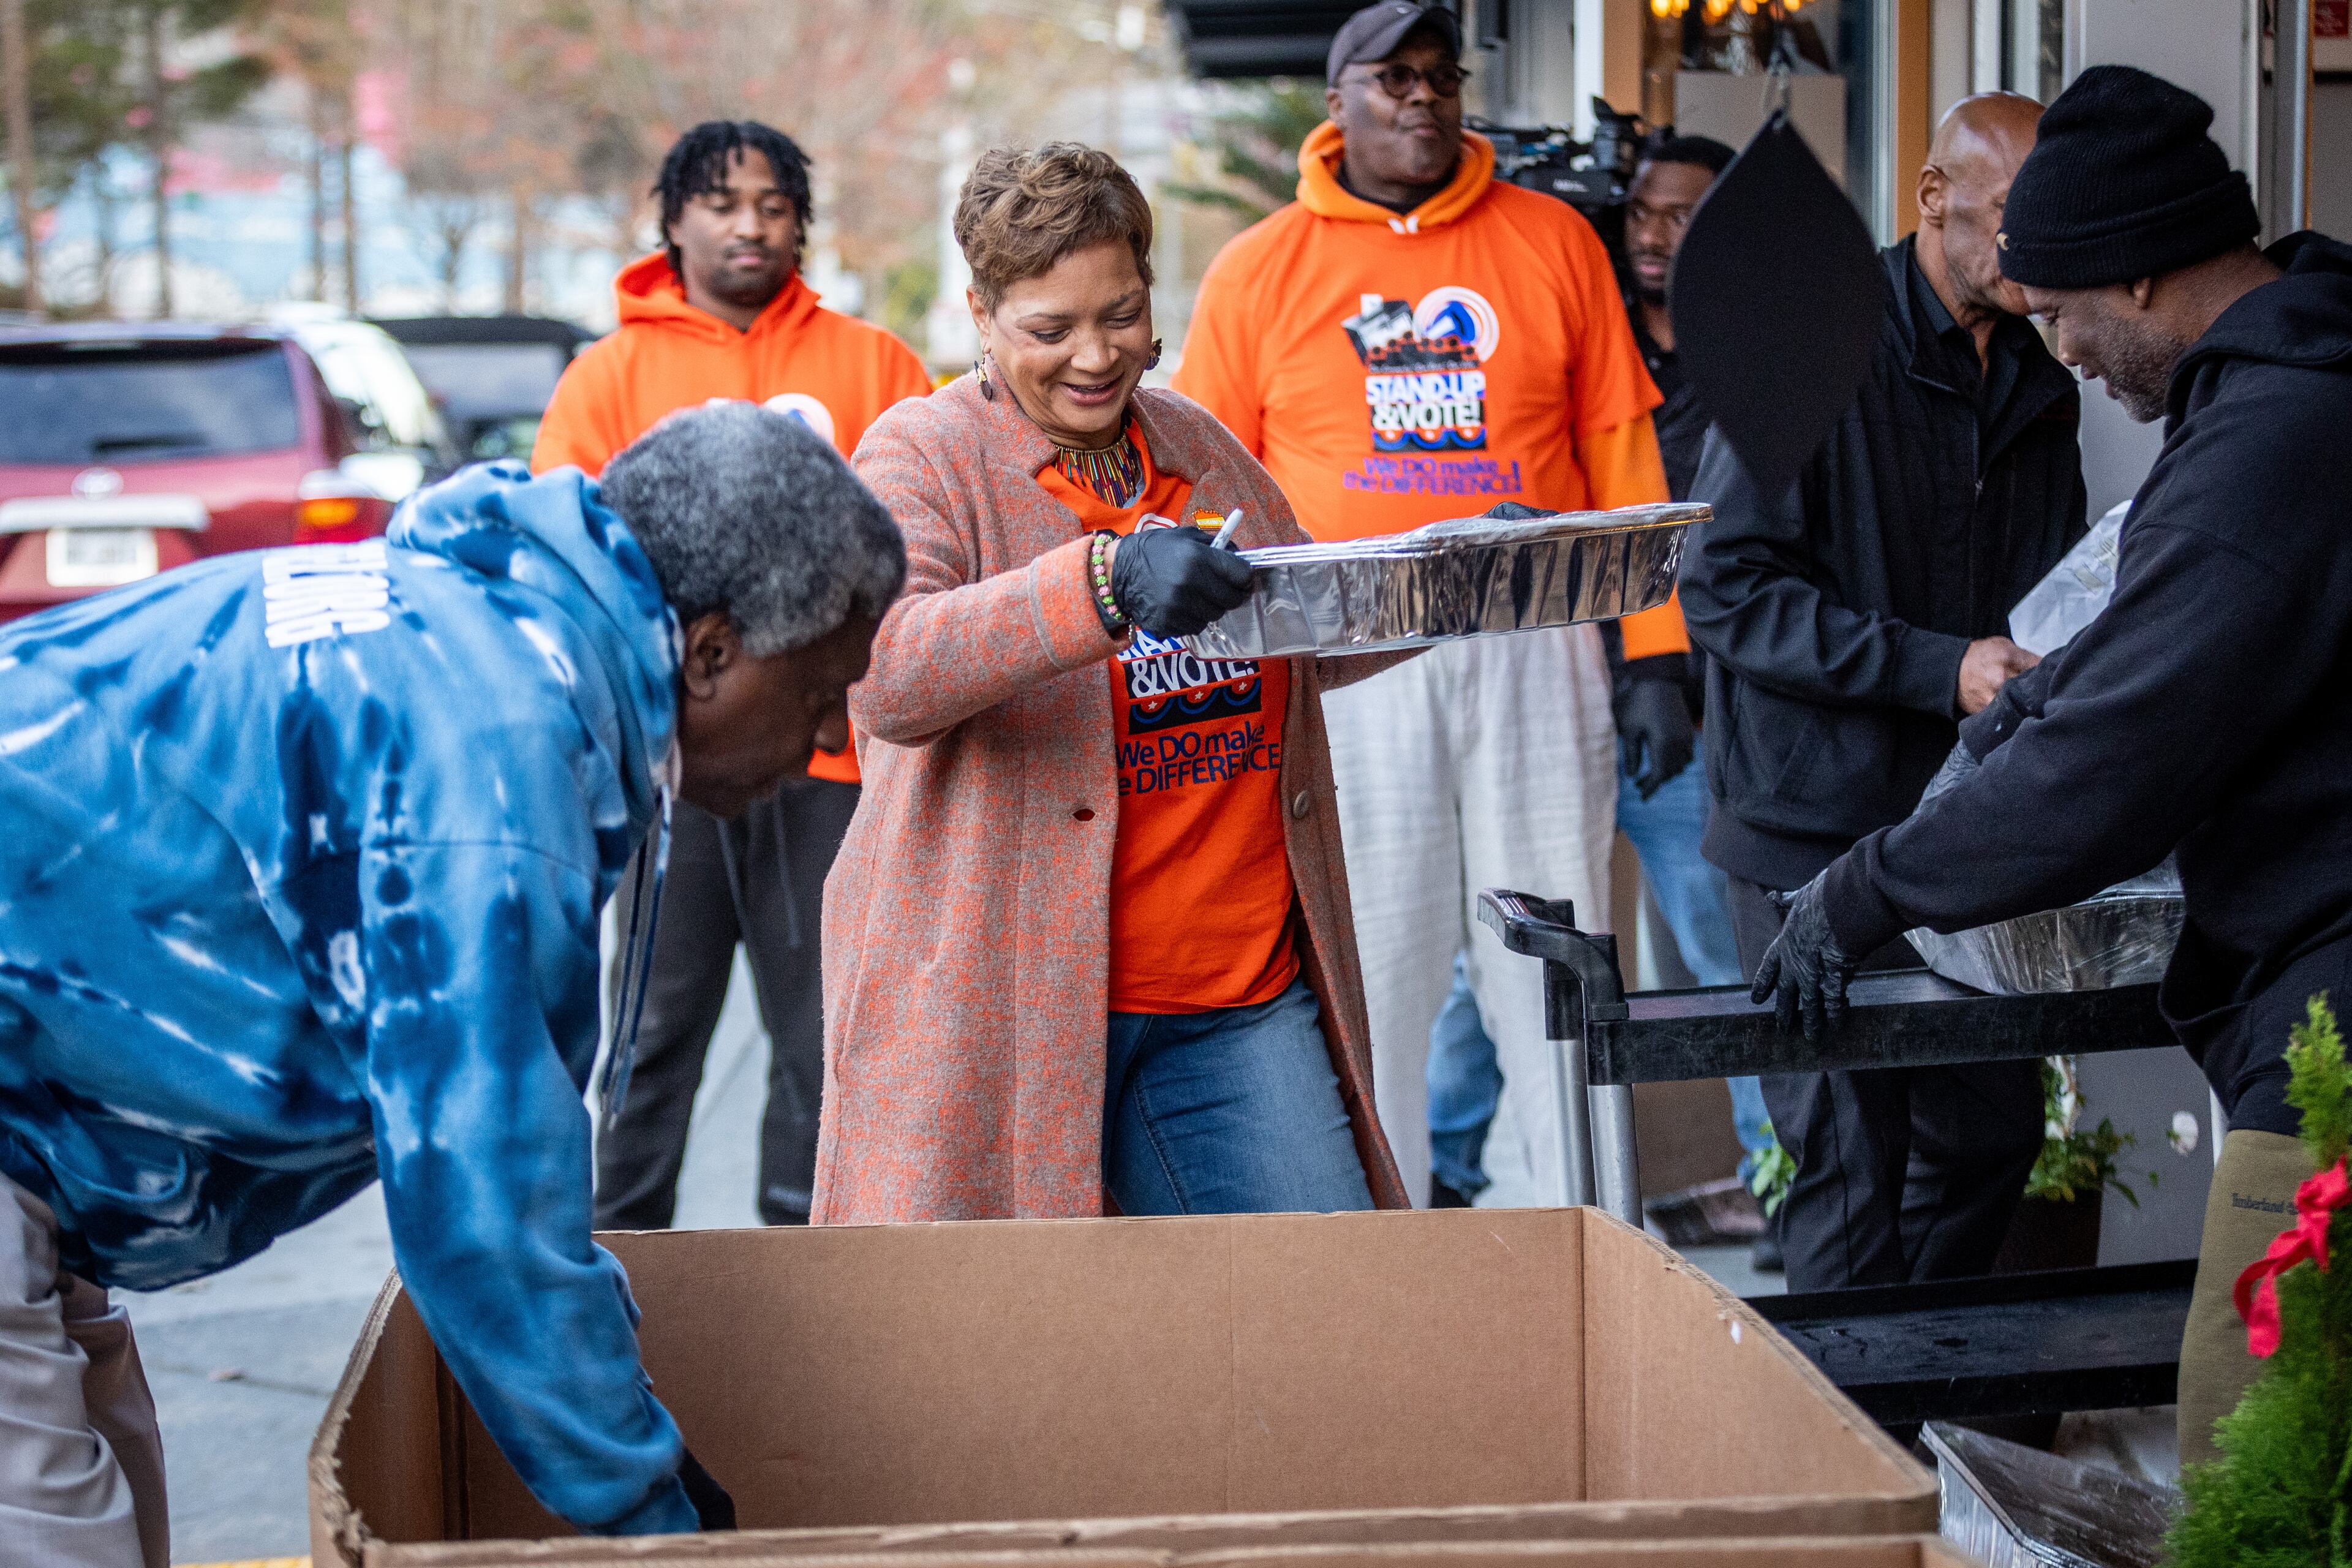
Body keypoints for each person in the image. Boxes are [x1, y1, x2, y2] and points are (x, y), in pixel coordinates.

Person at [0, 402, 900, 1560]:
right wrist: (661, 1523)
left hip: (40, 1121)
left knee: (106, 1478)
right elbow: (483, 1226)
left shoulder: (491, 626)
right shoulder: (490, 783)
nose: (830, 735)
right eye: (826, 691)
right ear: (712, 652)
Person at [1748, 64, 2351, 1466]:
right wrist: (2017, 716)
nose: (2062, 351)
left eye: (2064, 311)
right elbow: (2139, 652)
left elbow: (2117, 758)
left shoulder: (2276, 437)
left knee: (2253, 1443)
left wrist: (1865, 887)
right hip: (2305, 974)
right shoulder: (2282, 393)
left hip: (2333, 1008)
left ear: (2137, 275)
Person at [814, 142, 1409, 1223]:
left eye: (1122, 314)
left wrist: (1461, 580)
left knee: (1325, 1317)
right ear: (982, 316)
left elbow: (1307, 630)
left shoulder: (1201, 445)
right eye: (1050, 329)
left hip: (1236, 996)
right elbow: (886, 675)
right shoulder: (920, 455)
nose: (1095, 355)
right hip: (1005, 1005)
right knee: (1004, 1351)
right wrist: (1102, 582)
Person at [1174, 0, 1684, 1207]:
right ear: (1338, 98)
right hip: (1354, 650)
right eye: (1394, 77)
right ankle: (1382, 1241)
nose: (1422, 98)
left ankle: (1579, 1221)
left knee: (1555, 948)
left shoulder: (1552, 239)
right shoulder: (1260, 266)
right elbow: (1208, 484)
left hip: (1531, 634)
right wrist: (1221, 666)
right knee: (1382, 962)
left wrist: (1655, 648)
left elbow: (1617, 451)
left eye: (1440, 76)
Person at [1680, 91, 2084, 1292]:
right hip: (1801, 827)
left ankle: (1904, 1409)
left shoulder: (2039, 368)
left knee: (1991, 1134)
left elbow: (2049, 591)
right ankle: (1850, 1459)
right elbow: (1726, 587)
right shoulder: (1810, 334)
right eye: (2017, 217)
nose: (2039, 249)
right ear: (1932, 198)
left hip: (1961, 830)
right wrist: (1939, 664)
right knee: (1850, 1168)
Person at [533, 120, 931, 1229]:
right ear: (672, 222)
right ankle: (615, 1247)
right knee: (655, 1027)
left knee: (825, 1036)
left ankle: (806, 1252)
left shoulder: (877, 365)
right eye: (722, 203)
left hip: (835, 758)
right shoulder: (609, 375)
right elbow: (570, 566)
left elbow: (925, 546)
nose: (750, 224)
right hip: (671, 759)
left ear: (802, 220)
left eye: (772, 203)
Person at [1422, 135, 1758, 1226]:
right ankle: (1442, 1171)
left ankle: (1781, 1175)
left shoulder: (1749, 362)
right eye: (1645, 212)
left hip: (1681, 705)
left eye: (1689, 214)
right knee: (1501, 956)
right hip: (1546, 690)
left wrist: (1669, 670)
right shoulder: (1578, 325)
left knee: (1716, 942)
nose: (1659, 235)